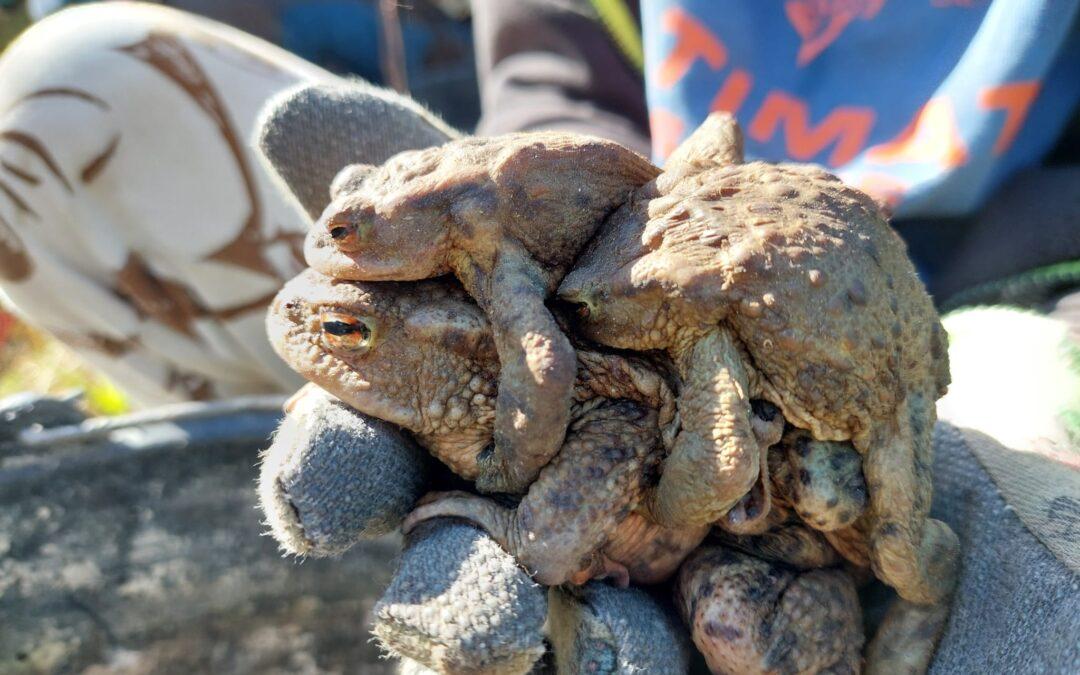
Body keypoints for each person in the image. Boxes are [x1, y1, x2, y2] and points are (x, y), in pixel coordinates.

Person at [0, 2, 1076, 671]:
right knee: (62, 92)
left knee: (860, 543)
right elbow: (568, 99)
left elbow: (673, 450)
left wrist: (531, 519)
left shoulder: (680, 349)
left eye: (342, 327)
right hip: (637, 240)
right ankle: (326, 515)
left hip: (976, 315)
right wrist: (489, 211)